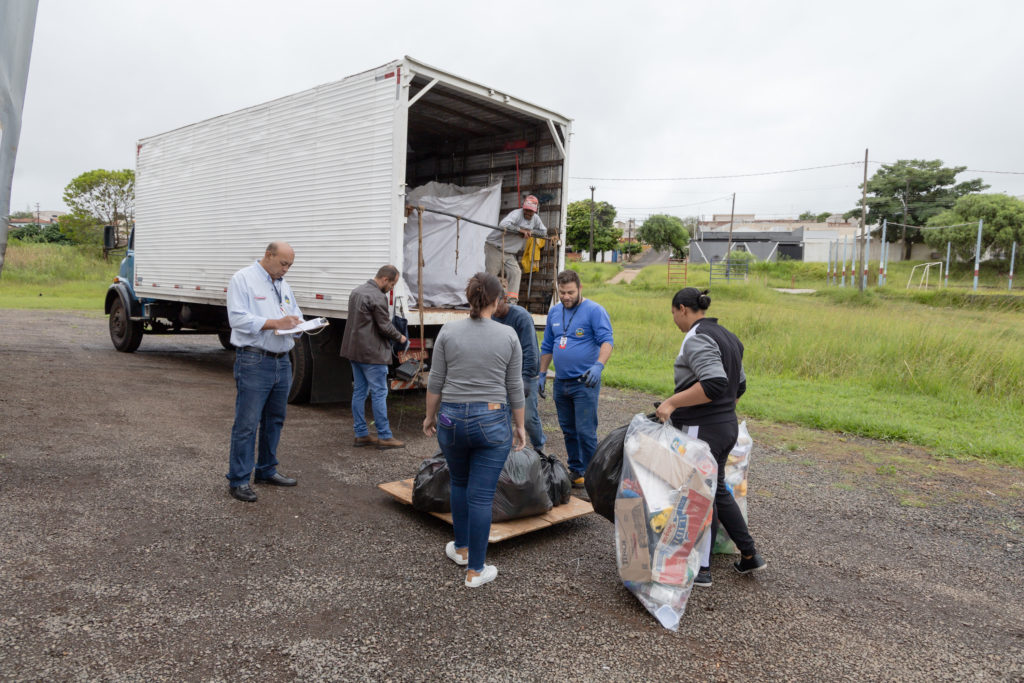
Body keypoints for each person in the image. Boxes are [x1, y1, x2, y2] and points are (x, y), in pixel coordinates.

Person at [654, 287, 766, 587]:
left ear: (682, 309)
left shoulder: (696, 337)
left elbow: (715, 382)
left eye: (674, 314)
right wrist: (722, 410)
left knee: (699, 495)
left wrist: (672, 402)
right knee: (716, 492)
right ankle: (749, 554)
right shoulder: (728, 336)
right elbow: (738, 386)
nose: (675, 320)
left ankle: (702, 569)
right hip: (725, 425)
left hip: (701, 430)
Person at [423, 272, 526, 588]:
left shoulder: (448, 331)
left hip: (452, 419)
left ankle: (462, 549)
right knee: (481, 496)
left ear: (469, 299)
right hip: (492, 420)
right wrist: (520, 426)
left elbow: (436, 380)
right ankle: (476, 571)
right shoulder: (508, 335)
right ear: (497, 301)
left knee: (459, 481)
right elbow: (514, 386)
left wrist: (430, 417)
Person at [225, 241, 303, 502]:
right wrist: (274, 323)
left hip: (282, 360)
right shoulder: (243, 279)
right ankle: (238, 479)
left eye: (290, 265)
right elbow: (237, 319)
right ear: (268, 255)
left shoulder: (283, 284)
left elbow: (294, 313)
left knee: (275, 420)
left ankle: (266, 470)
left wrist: (300, 324)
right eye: (283, 263)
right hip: (254, 360)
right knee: (246, 423)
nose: (286, 270)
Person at [538, 269, 613, 487]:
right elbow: (547, 345)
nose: (566, 297)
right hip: (561, 383)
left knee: (585, 432)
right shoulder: (554, 312)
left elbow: (607, 341)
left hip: (584, 383)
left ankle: (593, 479)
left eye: (570, 292)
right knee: (568, 430)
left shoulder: (594, 311)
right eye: (562, 293)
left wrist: (599, 366)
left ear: (580, 288)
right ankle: (577, 472)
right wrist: (542, 373)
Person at [340, 265, 408, 450]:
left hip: (354, 351)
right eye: (392, 284)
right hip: (372, 354)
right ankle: (385, 436)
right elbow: (385, 326)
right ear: (385, 279)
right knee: (379, 393)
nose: (392, 288)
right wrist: (401, 337)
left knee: (360, 392)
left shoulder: (357, 292)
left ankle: (361, 434)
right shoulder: (378, 296)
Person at [492, 295, 546, 453]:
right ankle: (506, 452)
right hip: (503, 375)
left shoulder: (521, 317)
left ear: (504, 299)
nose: (495, 309)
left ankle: (540, 447)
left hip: (525, 374)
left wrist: (526, 378)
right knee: (502, 415)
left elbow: (531, 350)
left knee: (528, 417)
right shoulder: (490, 318)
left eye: (497, 303)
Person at [485, 195, 548, 304]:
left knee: (516, 272)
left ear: (535, 211)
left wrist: (530, 231)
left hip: (509, 253)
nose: (528, 213)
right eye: (526, 210)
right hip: (495, 247)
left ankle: (512, 302)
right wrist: (520, 230)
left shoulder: (536, 219)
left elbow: (543, 232)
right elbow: (503, 224)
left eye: (531, 211)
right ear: (523, 208)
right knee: (491, 275)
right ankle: (487, 301)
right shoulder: (516, 214)